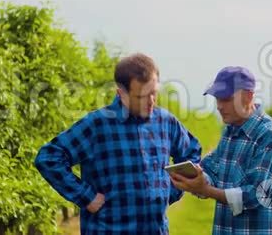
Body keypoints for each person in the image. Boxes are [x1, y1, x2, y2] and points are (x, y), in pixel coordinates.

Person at [35, 53, 202, 235]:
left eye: (154, 93)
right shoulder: (97, 125)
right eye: (141, 96)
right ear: (121, 93)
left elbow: (191, 151)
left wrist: (170, 190)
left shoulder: (165, 122)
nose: (151, 101)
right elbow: (49, 158)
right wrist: (87, 197)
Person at [170, 66, 272, 234]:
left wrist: (206, 190)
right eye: (217, 99)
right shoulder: (230, 132)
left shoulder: (270, 135)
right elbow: (211, 170)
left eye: (225, 99)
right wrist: (194, 176)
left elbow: (257, 194)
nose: (219, 106)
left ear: (248, 97)